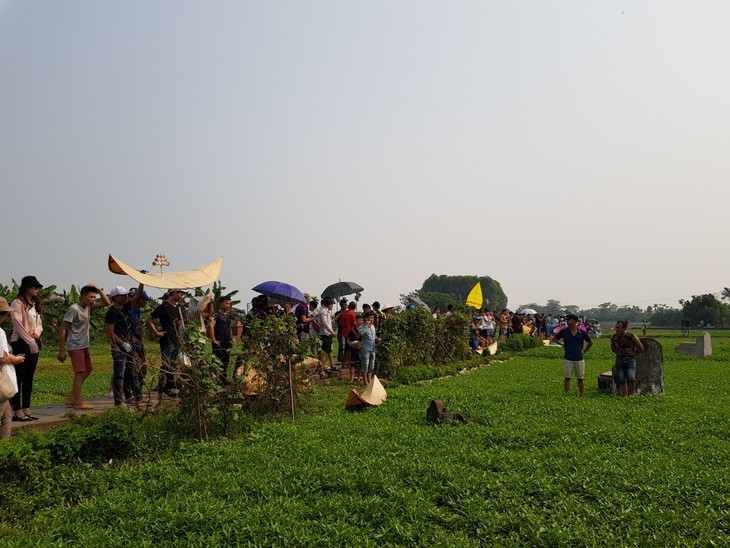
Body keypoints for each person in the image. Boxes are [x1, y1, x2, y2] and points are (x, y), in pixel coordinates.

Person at [58, 284, 111, 409]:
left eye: (94, 297)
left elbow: (107, 303)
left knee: (88, 370)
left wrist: (98, 289)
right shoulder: (74, 309)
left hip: (84, 345)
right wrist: (61, 350)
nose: (93, 300)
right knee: (79, 372)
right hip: (75, 345)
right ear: (83, 296)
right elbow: (63, 329)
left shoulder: (88, 307)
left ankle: (72, 397)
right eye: (91, 297)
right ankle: (78, 402)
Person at [9, 276, 44, 421]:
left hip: (34, 342)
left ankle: (26, 407)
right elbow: (17, 324)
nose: (37, 289)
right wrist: (30, 341)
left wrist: (36, 333)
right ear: (26, 288)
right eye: (34, 287)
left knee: (29, 377)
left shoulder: (34, 304)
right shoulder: (17, 303)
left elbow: (39, 322)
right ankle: (17, 410)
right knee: (19, 377)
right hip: (21, 343)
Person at [105, 286, 142, 406]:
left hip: (128, 344)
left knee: (131, 372)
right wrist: (123, 343)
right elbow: (111, 333)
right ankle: (118, 401)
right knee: (119, 375)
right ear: (116, 297)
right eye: (123, 295)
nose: (126, 297)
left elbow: (137, 296)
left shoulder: (125, 308)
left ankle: (133, 397)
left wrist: (141, 281)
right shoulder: (111, 312)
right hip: (119, 347)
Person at [147, 289, 186, 397]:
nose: (181, 296)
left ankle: (170, 388)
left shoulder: (177, 308)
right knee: (166, 364)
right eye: (180, 294)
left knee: (173, 365)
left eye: (182, 294)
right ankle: (161, 389)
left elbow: (179, 323)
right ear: (173, 294)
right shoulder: (163, 307)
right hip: (167, 340)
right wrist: (156, 332)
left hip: (176, 340)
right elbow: (149, 320)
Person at [551, 313, 593, 396]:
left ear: (574, 321)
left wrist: (584, 351)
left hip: (579, 358)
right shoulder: (565, 331)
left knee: (580, 378)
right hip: (568, 358)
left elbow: (590, 342)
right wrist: (563, 344)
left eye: (568, 319)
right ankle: (567, 394)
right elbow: (554, 339)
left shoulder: (581, 332)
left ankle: (582, 394)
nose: (567, 321)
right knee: (567, 378)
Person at [1, 297, 26, 436]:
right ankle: (5, 449)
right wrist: (15, 359)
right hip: (1, 378)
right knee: (4, 418)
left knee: (6, 413)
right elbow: (3, 357)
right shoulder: (0, 332)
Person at [610, 321, 644, 397]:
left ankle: (631, 395)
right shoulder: (614, 337)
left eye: (618, 328)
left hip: (631, 360)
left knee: (631, 377)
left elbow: (640, 348)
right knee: (621, 379)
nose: (616, 329)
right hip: (619, 360)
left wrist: (633, 354)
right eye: (616, 327)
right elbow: (613, 348)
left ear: (624, 328)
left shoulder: (631, 336)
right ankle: (625, 396)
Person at [208, 295, 234, 382]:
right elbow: (210, 327)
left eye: (229, 304)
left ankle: (224, 379)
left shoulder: (228, 316)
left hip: (227, 342)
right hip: (218, 342)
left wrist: (231, 339)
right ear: (221, 304)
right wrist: (214, 340)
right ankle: (215, 380)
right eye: (226, 303)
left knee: (226, 361)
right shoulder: (216, 314)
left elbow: (229, 327)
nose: (228, 305)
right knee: (216, 362)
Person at [358, 311, 378, 385]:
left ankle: (369, 380)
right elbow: (361, 333)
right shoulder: (362, 327)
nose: (372, 319)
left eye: (373, 318)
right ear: (366, 319)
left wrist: (377, 339)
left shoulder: (373, 327)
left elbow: (374, 336)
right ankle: (365, 381)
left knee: (371, 366)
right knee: (365, 365)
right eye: (370, 318)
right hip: (365, 349)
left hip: (372, 349)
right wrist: (366, 325)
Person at [316, 298, 336, 372]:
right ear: (329, 305)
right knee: (324, 352)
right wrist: (331, 331)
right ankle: (322, 367)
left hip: (327, 334)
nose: (332, 307)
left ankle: (328, 366)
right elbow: (324, 323)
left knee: (328, 350)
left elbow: (328, 322)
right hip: (325, 334)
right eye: (332, 305)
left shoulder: (326, 312)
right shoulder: (323, 312)